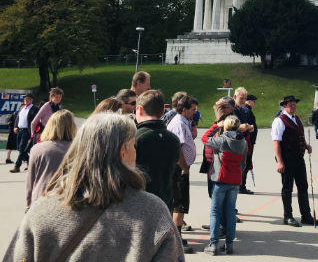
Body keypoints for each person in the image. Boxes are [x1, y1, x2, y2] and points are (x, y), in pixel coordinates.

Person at [4, 112, 184, 261]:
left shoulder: (41, 211)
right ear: (123, 151)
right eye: (133, 146)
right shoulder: (152, 211)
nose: (136, 152)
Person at [271, 95, 318, 227]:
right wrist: (279, 161)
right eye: (290, 104)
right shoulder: (279, 121)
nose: (293, 106)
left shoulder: (296, 118)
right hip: (287, 158)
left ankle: (306, 215)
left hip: (299, 157)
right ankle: (287, 216)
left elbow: (299, 135)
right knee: (287, 188)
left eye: (294, 104)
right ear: (284, 106)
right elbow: (276, 142)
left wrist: (306, 145)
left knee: (303, 186)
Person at [202, 115, 248, 256]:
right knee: (230, 212)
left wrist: (216, 126)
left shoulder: (222, 140)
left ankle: (214, 244)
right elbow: (244, 163)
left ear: (226, 126)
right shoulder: (243, 142)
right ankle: (229, 245)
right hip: (234, 181)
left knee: (215, 212)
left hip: (221, 179)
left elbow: (204, 139)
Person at [135, 90, 181, 210]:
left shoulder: (135, 138)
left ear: (139, 109)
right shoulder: (174, 139)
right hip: (165, 202)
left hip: (140, 203)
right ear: (162, 112)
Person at [25, 109, 76, 208]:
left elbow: (30, 181)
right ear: (72, 127)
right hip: (67, 201)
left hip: (40, 199)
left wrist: (28, 206)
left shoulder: (37, 149)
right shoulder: (79, 149)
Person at [166, 94, 198, 253]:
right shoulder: (179, 123)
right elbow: (177, 147)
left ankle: (175, 236)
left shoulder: (184, 121)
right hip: (179, 169)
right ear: (184, 109)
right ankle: (176, 240)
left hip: (180, 168)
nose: (195, 112)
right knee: (179, 203)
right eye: (192, 110)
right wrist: (184, 167)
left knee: (179, 203)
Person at [232, 88, 256, 195]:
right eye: (241, 98)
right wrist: (244, 127)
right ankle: (239, 187)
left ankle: (240, 186)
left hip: (244, 143)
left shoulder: (243, 110)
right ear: (235, 97)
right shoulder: (231, 110)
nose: (243, 100)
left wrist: (249, 127)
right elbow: (228, 126)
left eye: (245, 98)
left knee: (243, 166)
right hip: (233, 145)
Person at [10, 94, 38, 173]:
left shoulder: (34, 108)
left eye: (28, 99)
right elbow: (18, 118)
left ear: (31, 100)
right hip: (20, 130)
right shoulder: (22, 107)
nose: (26, 100)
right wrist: (15, 126)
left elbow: (36, 120)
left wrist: (34, 131)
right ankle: (30, 161)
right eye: (25, 99)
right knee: (20, 148)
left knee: (22, 148)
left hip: (27, 131)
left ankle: (17, 166)